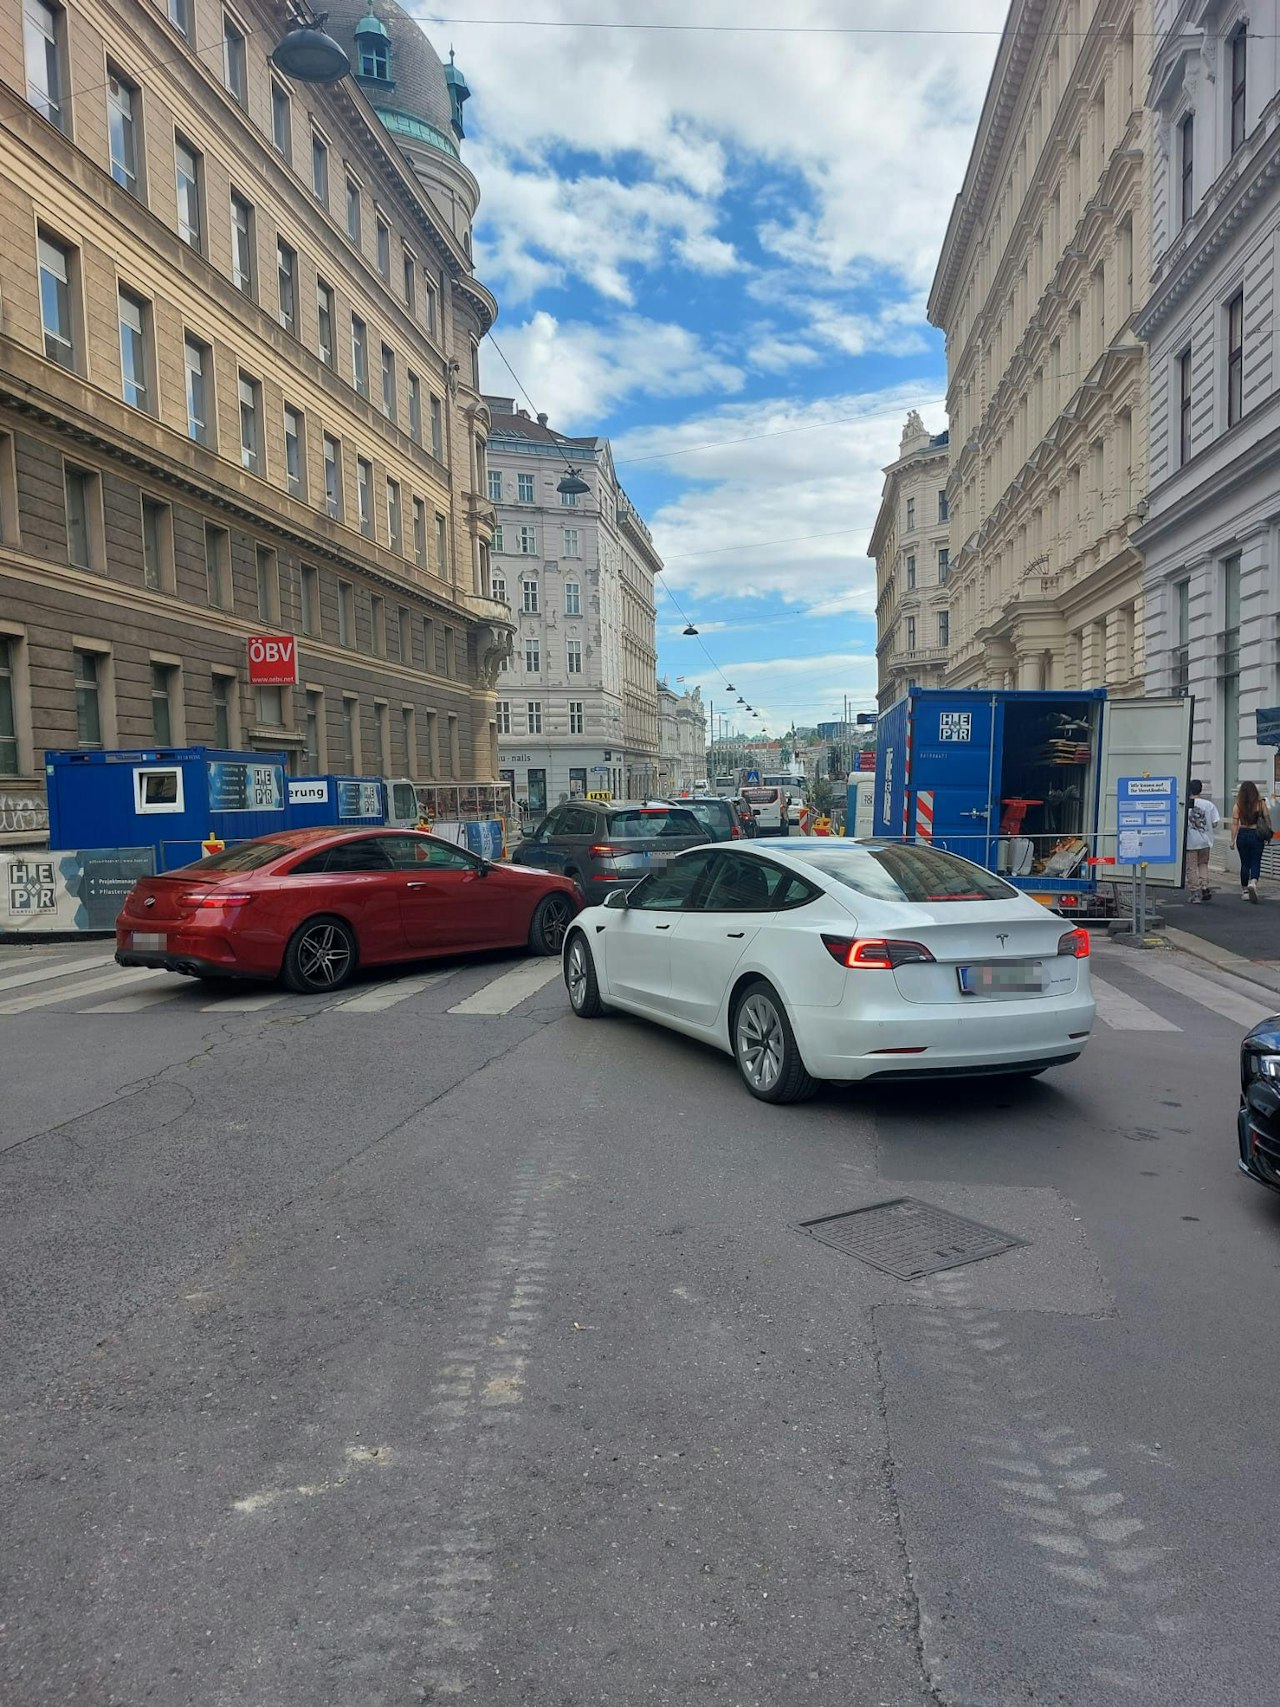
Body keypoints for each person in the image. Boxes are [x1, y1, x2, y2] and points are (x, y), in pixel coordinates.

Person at [1231, 780, 1272, 903]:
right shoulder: (1260, 803)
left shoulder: (1238, 805)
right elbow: (1267, 819)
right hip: (1256, 835)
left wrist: (1232, 840)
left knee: (1244, 863)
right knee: (1255, 861)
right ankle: (1253, 882)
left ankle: (1244, 891)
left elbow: (1234, 824)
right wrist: (1268, 834)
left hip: (1242, 834)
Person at [1184, 779, 1221, 903]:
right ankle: (1204, 885)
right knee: (1203, 863)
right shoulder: (1208, 805)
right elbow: (1215, 823)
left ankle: (1195, 894)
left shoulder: (1186, 804)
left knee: (1191, 867)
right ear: (1200, 790)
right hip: (1206, 841)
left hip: (1190, 842)